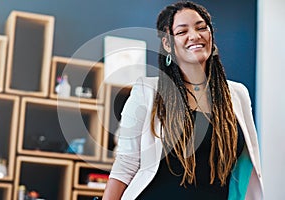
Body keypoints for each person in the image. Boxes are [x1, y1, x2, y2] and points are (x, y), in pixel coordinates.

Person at [102, 1, 263, 199]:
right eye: (181, 32)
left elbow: (246, 165)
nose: (195, 36)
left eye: (201, 27)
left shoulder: (237, 94)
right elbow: (125, 166)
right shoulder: (148, 91)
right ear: (168, 44)